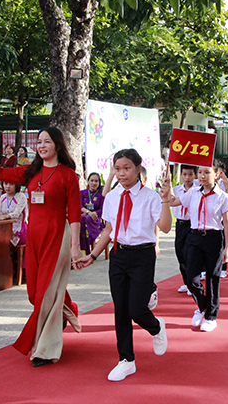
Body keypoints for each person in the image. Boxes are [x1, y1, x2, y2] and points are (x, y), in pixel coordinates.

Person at [0, 123, 83, 367]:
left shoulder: (68, 175)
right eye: (39, 142)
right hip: (34, 238)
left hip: (58, 237)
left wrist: (76, 247)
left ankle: (44, 349)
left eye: (46, 141)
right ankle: (67, 307)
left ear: (57, 145)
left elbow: (75, 215)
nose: (42, 146)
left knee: (46, 291)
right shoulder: (31, 172)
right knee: (35, 292)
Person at [77, 148, 171, 382]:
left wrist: (166, 199)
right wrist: (93, 255)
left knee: (136, 308)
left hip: (143, 256)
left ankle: (156, 327)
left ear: (138, 169)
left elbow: (166, 227)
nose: (121, 173)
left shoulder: (150, 196)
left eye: (127, 168)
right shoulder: (112, 197)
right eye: (117, 169)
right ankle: (126, 359)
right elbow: (109, 231)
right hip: (119, 255)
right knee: (120, 309)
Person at [170, 162, 228, 330]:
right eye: (200, 172)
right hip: (194, 238)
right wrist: (167, 188)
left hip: (214, 238)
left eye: (207, 172)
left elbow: (227, 223)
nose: (203, 176)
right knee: (191, 279)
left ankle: (211, 316)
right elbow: (173, 202)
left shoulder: (222, 196)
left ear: (217, 174)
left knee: (212, 278)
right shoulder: (193, 193)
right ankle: (203, 306)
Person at [171, 165, 196, 294]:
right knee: (180, 253)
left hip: (192, 225)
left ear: (195, 175)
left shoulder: (197, 190)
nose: (187, 177)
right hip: (180, 225)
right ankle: (186, 282)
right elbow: (167, 201)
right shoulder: (175, 190)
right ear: (181, 175)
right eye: (185, 174)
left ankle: (192, 283)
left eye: (190, 174)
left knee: (189, 254)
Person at [0, 181, 28, 247]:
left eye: (11, 184)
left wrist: (5, 216)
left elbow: (16, 214)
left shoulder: (21, 197)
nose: (8, 186)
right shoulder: (2, 197)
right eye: (5, 183)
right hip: (5, 229)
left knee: (1, 240)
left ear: (17, 185)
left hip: (19, 231)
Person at [79, 172, 105, 255]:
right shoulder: (82, 193)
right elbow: (78, 205)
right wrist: (88, 212)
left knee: (84, 220)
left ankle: (84, 251)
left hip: (96, 220)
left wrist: (92, 214)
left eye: (96, 181)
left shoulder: (102, 194)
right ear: (88, 181)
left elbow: (103, 209)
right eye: (92, 180)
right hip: (84, 216)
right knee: (80, 220)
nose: (94, 183)